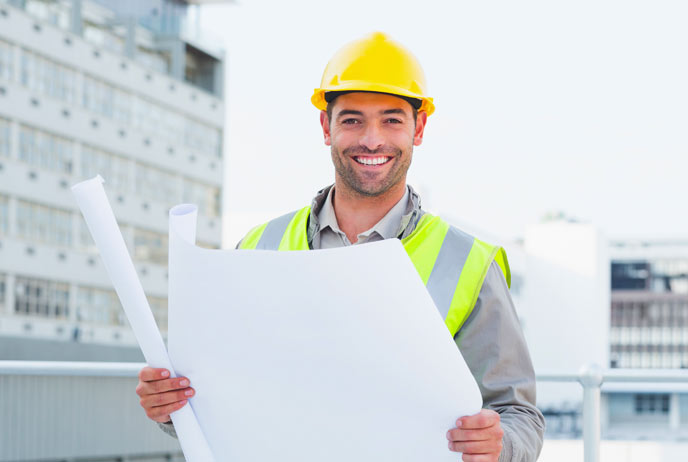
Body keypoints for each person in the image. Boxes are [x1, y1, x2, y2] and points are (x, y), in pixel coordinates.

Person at [136, 32, 545, 461]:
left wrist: (501, 445)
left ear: (418, 128)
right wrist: (169, 404)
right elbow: (212, 389)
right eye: (352, 120)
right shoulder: (257, 247)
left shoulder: (470, 263)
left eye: (392, 120)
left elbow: (518, 414)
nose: (372, 140)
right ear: (325, 127)